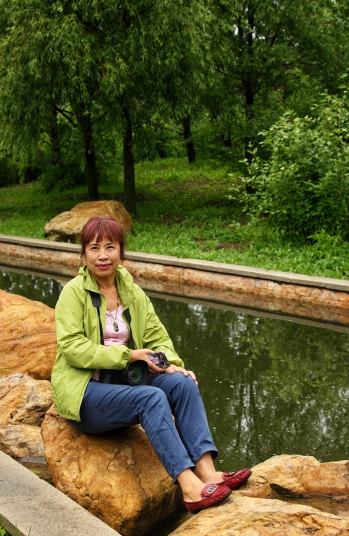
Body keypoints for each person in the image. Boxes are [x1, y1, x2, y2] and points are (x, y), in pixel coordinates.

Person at [49, 214, 249, 512]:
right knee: (152, 397)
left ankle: (207, 471)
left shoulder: (131, 291)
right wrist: (128, 355)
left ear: (121, 250)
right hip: (85, 393)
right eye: (94, 248)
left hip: (122, 382)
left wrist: (172, 364)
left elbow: (157, 336)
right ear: (84, 253)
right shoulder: (73, 293)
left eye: (110, 247)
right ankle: (190, 488)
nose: (102, 256)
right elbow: (72, 348)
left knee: (182, 384)